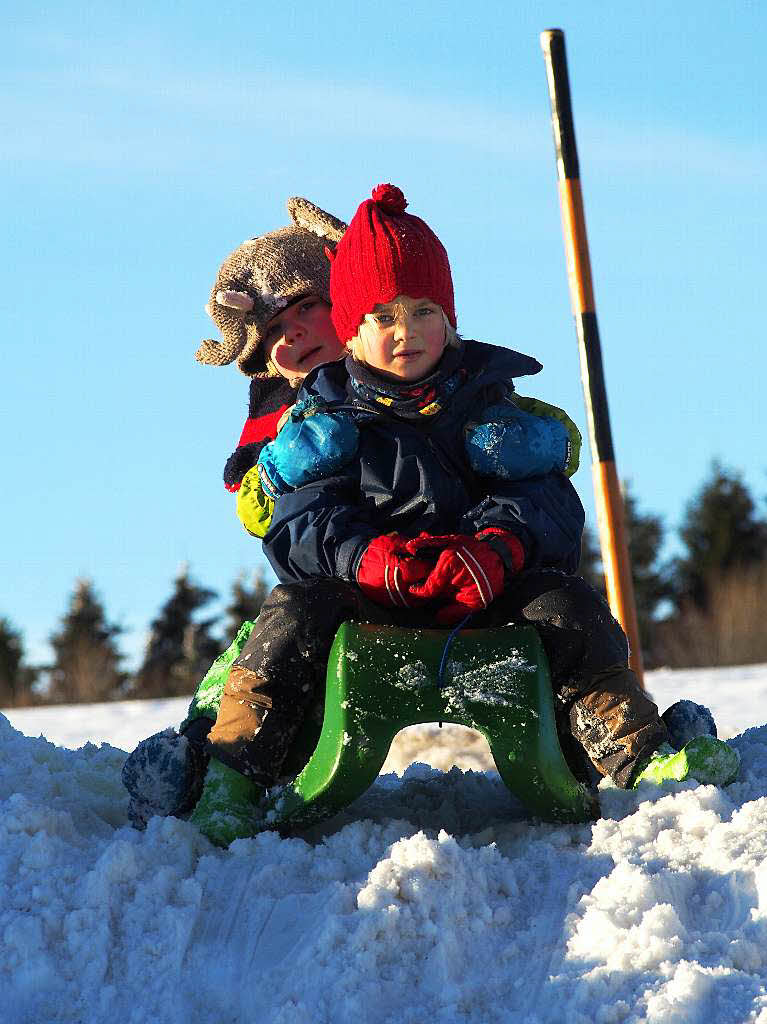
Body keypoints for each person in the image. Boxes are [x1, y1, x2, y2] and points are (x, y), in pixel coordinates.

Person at [188, 184, 738, 844]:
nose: (406, 331)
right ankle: (234, 777)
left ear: (449, 318)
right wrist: (369, 558)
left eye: (424, 311)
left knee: (568, 609)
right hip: (372, 594)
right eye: (383, 317)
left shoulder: (484, 400)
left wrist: (498, 545)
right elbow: (299, 521)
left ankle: (636, 753)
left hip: (485, 588)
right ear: (352, 330)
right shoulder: (323, 420)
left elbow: (546, 503)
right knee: (290, 615)